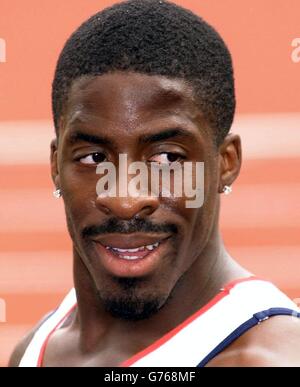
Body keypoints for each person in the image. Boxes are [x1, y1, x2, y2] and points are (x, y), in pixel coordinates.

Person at [9, 0, 300, 367]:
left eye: (167, 159)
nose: (125, 200)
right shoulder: (37, 348)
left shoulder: (265, 360)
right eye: (93, 158)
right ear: (55, 165)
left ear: (226, 163)